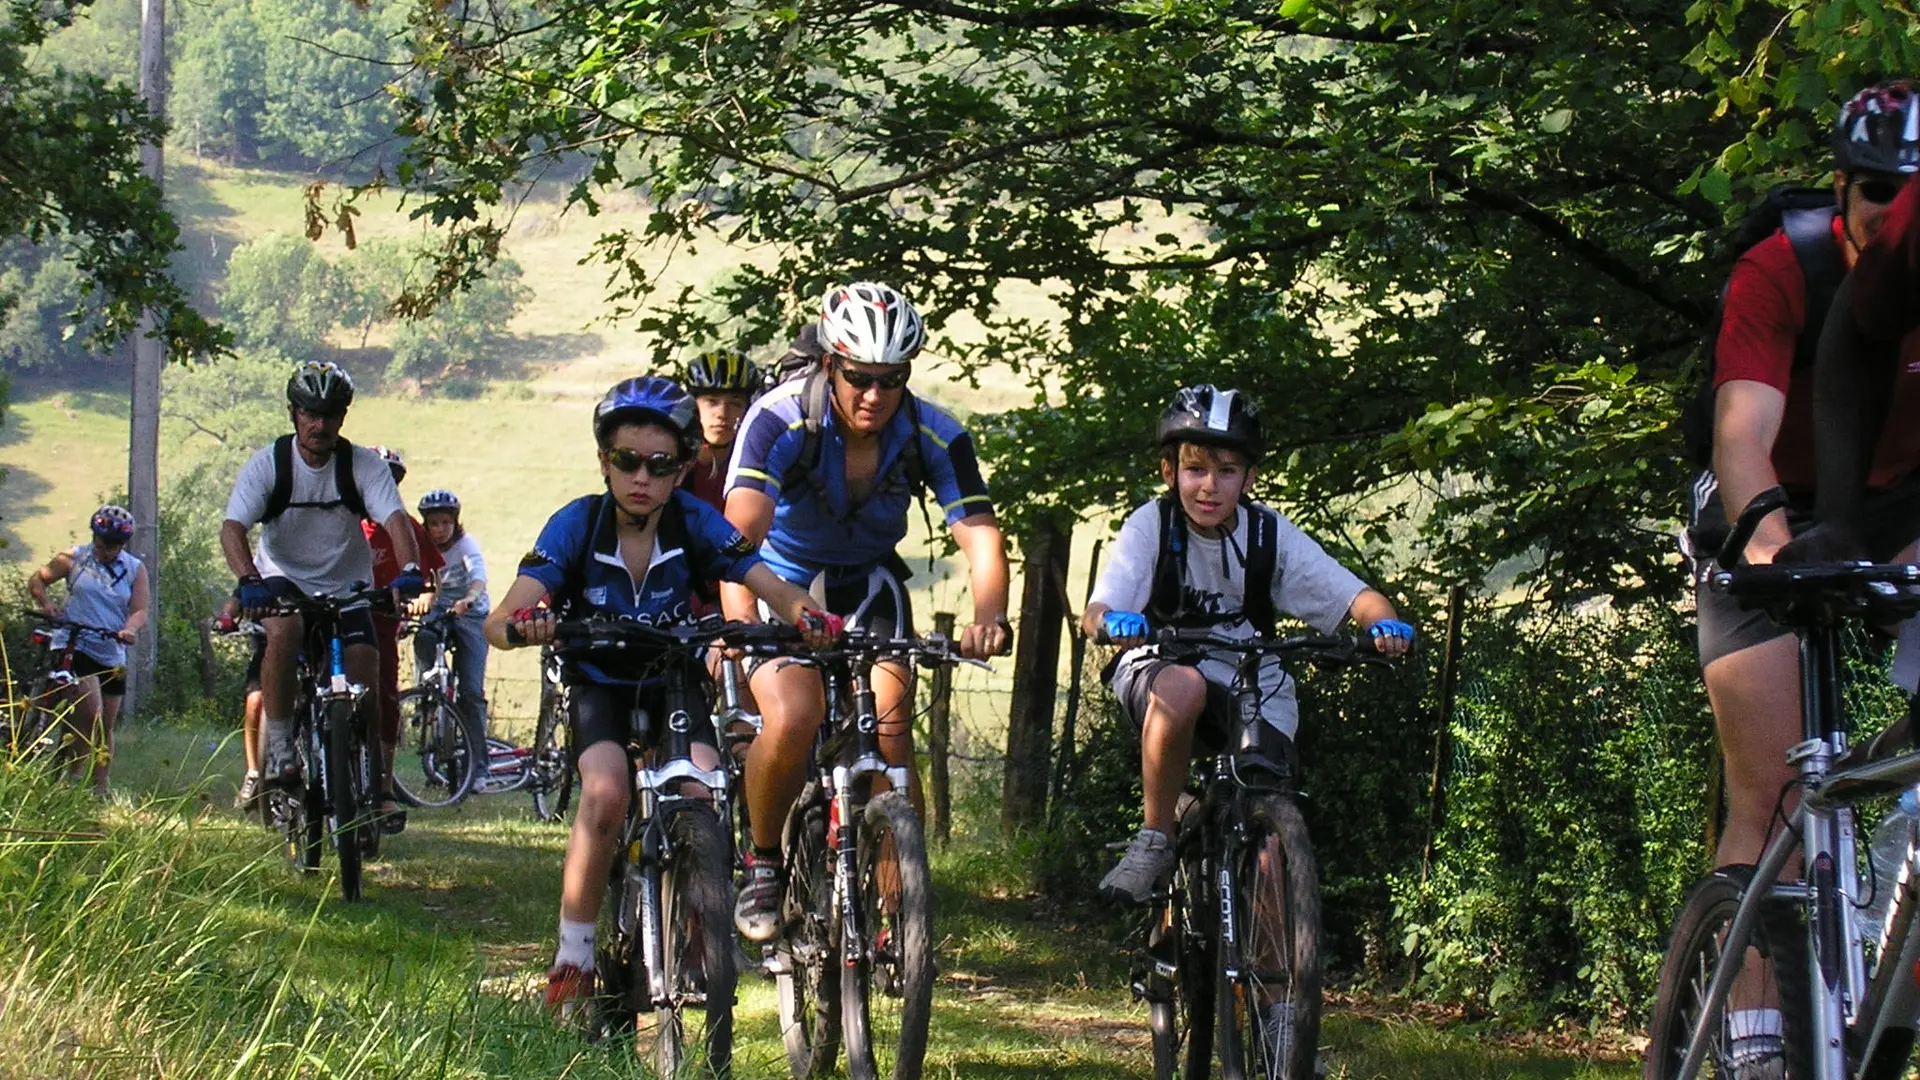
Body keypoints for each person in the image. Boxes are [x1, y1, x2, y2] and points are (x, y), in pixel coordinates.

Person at [1684, 79, 1920, 1079]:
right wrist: (1776, 555)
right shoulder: (1784, 268)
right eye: (1872, 190)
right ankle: (1754, 1043)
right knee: (1774, 785)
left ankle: (1884, 1022)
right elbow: (1744, 440)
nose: (1887, 212)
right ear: (1840, 188)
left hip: (1898, 507)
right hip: (1767, 506)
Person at [483, 376, 840, 1019]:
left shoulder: (695, 521)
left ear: (681, 470)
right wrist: (521, 624)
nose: (641, 477)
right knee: (606, 791)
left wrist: (803, 612)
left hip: (674, 678)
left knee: (705, 788)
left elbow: (760, 577)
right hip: (600, 681)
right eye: (626, 461)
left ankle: (697, 927)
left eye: (660, 464)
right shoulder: (575, 524)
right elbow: (503, 613)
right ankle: (574, 957)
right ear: (604, 462)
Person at [721, 282, 1012, 942]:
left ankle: (895, 910)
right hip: (779, 583)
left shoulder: (932, 431)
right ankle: (764, 862)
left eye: (892, 380)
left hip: (870, 588)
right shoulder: (778, 418)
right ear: (831, 364)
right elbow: (737, 538)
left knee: (891, 733)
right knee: (795, 716)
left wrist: (989, 615)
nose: (874, 396)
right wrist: (742, 620)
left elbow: (982, 536)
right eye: (859, 378)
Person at [1083, 385, 1412, 905]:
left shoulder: (1266, 535)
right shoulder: (1153, 524)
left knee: (1270, 825)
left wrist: (1383, 628)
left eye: (1227, 471)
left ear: (1250, 478)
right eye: (1195, 470)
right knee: (1185, 685)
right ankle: (1155, 839)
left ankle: (1273, 979)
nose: (1209, 487)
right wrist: (1113, 622)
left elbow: (1357, 596)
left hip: (1251, 677)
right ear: (1170, 473)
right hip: (1160, 669)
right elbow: (1097, 610)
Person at [220, 361, 426, 788]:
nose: (320, 424)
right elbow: (232, 529)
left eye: (330, 414)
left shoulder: (362, 466)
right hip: (281, 575)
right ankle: (278, 747)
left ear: (343, 417)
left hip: (346, 582)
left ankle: (365, 765)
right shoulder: (269, 465)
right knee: (284, 629)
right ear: (293, 413)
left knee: (365, 666)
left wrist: (409, 571)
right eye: (310, 413)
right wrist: (247, 580)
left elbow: (396, 521)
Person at [26, 505, 150, 796]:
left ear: (122, 544)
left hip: (111, 650)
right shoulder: (74, 557)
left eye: (112, 544)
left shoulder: (134, 569)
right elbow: (38, 580)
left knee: (105, 726)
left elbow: (140, 609)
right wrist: (46, 604)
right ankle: (72, 779)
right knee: (90, 710)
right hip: (75, 641)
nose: (104, 548)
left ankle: (100, 787)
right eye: (100, 541)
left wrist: (130, 630)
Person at [363, 448, 445, 829]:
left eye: (392, 479)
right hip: (336, 614)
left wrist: (424, 598)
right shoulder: (344, 520)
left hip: (381, 621)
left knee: (385, 699)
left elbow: (430, 577)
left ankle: (383, 790)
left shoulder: (406, 526)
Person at [413, 487, 489, 790]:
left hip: (470, 615)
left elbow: (478, 579)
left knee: (470, 693)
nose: (440, 529)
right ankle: (427, 691)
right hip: (437, 611)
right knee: (423, 637)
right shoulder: (420, 547)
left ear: (455, 522)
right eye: (434, 523)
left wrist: (468, 600)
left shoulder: (466, 545)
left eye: (446, 523)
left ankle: (479, 769)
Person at [682, 348, 764, 514]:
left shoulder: (759, 460)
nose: (722, 414)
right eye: (711, 402)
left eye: (735, 404)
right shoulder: (675, 461)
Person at [213, 592, 268, 813]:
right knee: (255, 700)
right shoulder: (263, 570)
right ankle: (254, 772)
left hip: (314, 646)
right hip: (269, 648)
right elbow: (238, 598)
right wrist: (226, 616)